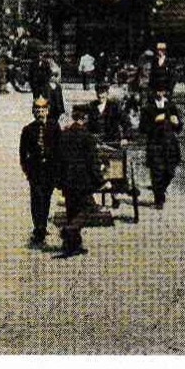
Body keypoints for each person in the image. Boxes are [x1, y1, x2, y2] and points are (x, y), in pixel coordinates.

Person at [53, 104, 103, 258]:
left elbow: (58, 160)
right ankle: (71, 229)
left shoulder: (64, 135)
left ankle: (72, 246)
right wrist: (100, 180)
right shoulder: (88, 137)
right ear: (85, 118)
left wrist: (59, 180)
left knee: (72, 211)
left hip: (67, 180)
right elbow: (93, 162)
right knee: (89, 207)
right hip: (83, 181)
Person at [18, 97, 58, 248]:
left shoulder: (54, 127)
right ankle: (38, 227)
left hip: (49, 170)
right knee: (36, 198)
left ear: (47, 111)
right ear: (33, 112)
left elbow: (58, 148)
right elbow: (23, 153)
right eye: (37, 110)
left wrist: (57, 169)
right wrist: (27, 170)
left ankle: (43, 224)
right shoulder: (28, 130)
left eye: (43, 110)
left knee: (46, 198)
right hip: (35, 171)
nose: (40, 113)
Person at [141, 85, 183, 208]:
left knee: (170, 171)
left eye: (163, 90)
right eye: (158, 90)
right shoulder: (148, 108)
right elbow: (142, 128)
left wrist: (177, 123)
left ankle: (161, 189)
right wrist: (154, 121)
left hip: (170, 145)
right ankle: (158, 198)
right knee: (157, 172)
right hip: (155, 144)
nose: (160, 93)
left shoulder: (171, 106)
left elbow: (178, 128)